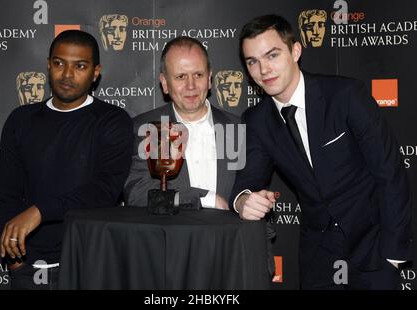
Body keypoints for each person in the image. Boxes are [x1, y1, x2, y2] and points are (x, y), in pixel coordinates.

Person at [231, 14, 412, 289]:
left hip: (374, 249)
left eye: (272, 55)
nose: (263, 69)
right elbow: (248, 180)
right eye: (252, 62)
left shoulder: (345, 95)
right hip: (319, 257)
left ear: (295, 51)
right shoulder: (257, 120)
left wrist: (394, 255)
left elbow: (390, 173)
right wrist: (244, 200)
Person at [0, 30, 133, 289]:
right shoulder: (21, 120)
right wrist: (15, 260)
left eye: (80, 66)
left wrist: (40, 211)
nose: (67, 75)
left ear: (95, 72)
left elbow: (104, 190)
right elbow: (7, 192)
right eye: (59, 63)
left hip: (90, 262)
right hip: (28, 268)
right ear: (48, 65)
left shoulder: (112, 120)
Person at [124, 36, 243, 211]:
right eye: (180, 77)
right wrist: (203, 199)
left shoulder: (238, 128)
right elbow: (137, 192)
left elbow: (250, 190)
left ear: (210, 79)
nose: (191, 85)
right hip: (169, 237)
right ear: (165, 83)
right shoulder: (146, 128)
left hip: (227, 237)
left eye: (198, 75)